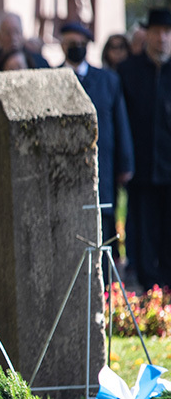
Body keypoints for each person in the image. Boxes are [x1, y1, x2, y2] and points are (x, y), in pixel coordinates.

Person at [58, 22, 133, 251]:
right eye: (71, 43)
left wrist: (125, 163)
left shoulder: (107, 80)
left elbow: (120, 123)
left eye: (81, 43)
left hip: (102, 166)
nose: (76, 47)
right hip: (63, 169)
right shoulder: (52, 78)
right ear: (62, 45)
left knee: (103, 227)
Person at [117, 8, 171, 289]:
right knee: (143, 229)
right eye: (157, 32)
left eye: (167, 32)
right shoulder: (129, 71)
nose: (162, 38)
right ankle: (149, 286)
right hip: (142, 167)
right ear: (147, 34)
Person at [0, 11, 49, 79]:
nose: (13, 38)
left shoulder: (40, 64)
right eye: (8, 33)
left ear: (22, 34)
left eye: (17, 32)